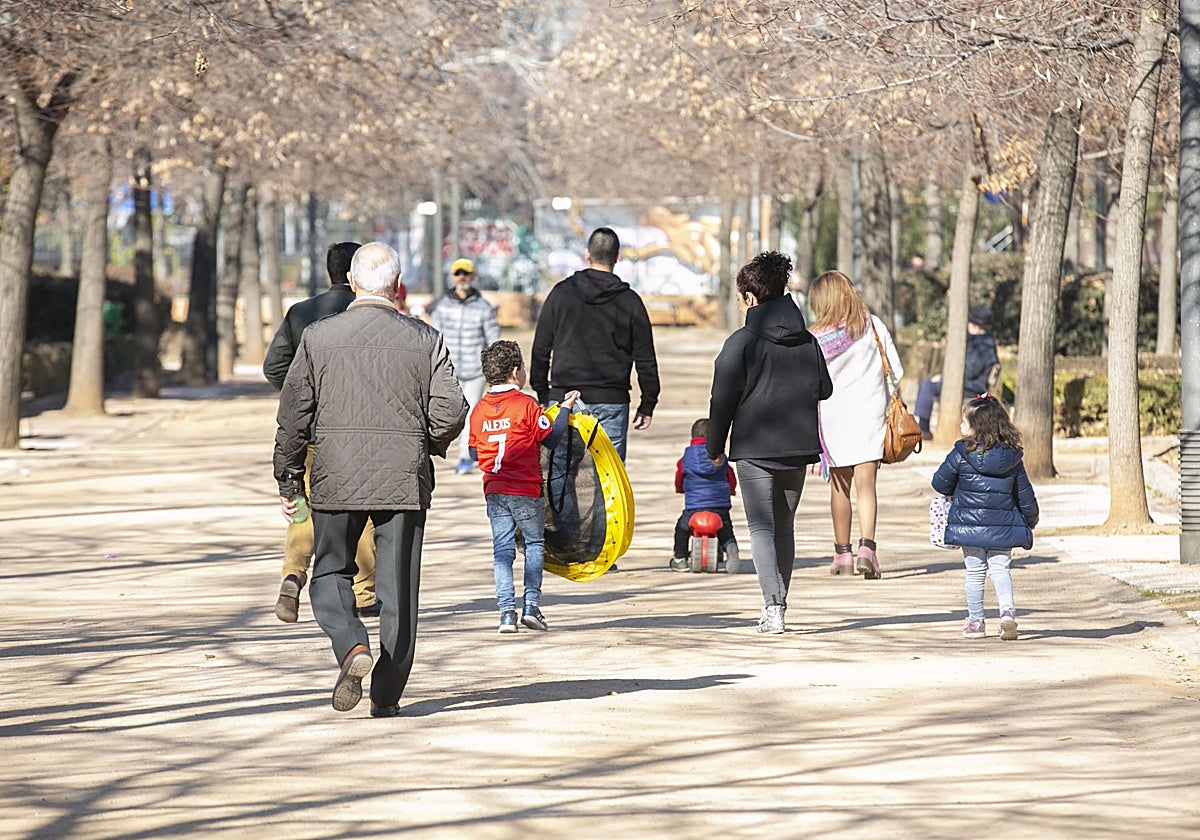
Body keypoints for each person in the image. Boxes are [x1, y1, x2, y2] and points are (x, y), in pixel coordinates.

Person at [273, 242, 467, 717]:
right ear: (398, 287)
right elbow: (452, 410)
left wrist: (289, 476)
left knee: (331, 571)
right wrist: (425, 446)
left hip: (336, 473)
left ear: (354, 284)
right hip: (403, 478)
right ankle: (386, 695)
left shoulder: (319, 337)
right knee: (398, 588)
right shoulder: (426, 339)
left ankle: (351, 644)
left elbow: (294, 412)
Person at [706, 252, 833, 634]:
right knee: (784, 528)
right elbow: (825, 388)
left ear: (749, 298)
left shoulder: (740, 343)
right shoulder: (807, 341)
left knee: (761, 529)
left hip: (754, 448)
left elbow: (721, 399)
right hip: (797, 446)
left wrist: (714, 446)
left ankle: (772, 607)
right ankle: (779, 606)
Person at [262, 241, 378, 623]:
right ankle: (363, 593)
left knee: (303, 507)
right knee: (360, 509)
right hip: (355, 430)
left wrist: (300, 396)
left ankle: (293, 574)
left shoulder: (300, 313)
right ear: (355, 274)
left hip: (308, 429)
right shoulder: (368, 314)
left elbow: (274, 366)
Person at [468, 340, 579, 634]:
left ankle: (506, 614)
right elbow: (551, 439)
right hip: (526, 491)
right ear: (516, 372)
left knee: (502, 551)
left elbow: (473, 454)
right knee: (533, 545)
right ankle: (531, 607)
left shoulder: (478, 411)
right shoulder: (527, 405)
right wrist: (565, 410)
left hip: (494, 491)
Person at [530, 226, 659, 463]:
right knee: (609, 478)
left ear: (587, 255)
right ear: (617, 258)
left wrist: (542, 391)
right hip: (611, 399)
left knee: (562, 477)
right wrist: (648, 402)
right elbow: (645, 358)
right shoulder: (629, 301)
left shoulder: (561, 294)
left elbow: (541, 348)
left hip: (564, 399)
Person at [807, 270, 903, 580]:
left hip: (834, 418)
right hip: (869, 415)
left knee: (839, 488)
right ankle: (867, 550)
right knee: (866, 487)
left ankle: (842, 554)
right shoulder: (872, 325)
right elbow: (896, 372)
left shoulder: (815, 339)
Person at [931, 395, 1039, 640]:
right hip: (1003, 528)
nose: (960, 426)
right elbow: (1024, 494)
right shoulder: (1012, 458)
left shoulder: (960, 453)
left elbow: (939, 482)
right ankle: (1007, 613)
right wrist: (1030, 519)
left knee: (975, 572)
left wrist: (956, 484)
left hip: (969, 527)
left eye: (964, 422)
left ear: (976, 427)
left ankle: (976, 622)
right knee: (1001, 569)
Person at [428, 257, 501, 474]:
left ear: (473, 276)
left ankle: (465, 456)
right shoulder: (442, 306)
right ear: (452, 277)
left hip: (475, 371)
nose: (462, 277)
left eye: (466, 273)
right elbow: (434, 338)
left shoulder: (484, 307)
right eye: (458, 273)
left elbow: (493, 340)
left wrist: (494, 370)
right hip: (449, 372)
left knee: (470, 414)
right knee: (451, 414)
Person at [915, 306, 999, 440]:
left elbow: (969, 371)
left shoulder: (983, 346)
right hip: (966, 382)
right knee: (928, 384)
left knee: (927, 386)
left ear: (976, 325)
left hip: (972, 386)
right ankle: (923, 428)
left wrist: (944, 379)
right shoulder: (981, 342)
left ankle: (923, 429)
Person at [669, 417, 739, 572]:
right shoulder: (720, 458)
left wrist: (680, 488)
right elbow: (730, 476)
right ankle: (732, 554)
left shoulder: (686, 459)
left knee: (681, 529)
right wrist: (731, 490)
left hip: (695, 506)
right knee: (726, 532)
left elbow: (680, 477)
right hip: (720, 505)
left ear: (693, 437)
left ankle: (679, 558)